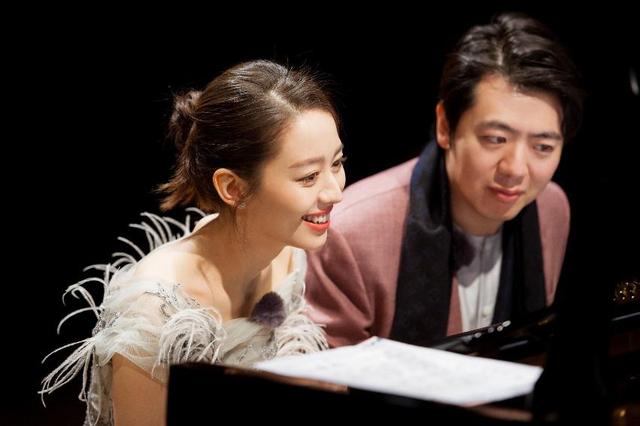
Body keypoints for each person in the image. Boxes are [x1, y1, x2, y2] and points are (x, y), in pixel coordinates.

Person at [41, 59, 346, 425]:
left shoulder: (291, 253)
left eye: (337, 163)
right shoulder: (156, 309)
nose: (335, 191)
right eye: (309, 176)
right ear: (233, 187)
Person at [306, 12, 584, 348]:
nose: (515, 169)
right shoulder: (352, 232)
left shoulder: (551, 208)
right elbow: (331, 376)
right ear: (445, 126)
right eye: (496, 139)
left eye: (543, 147)